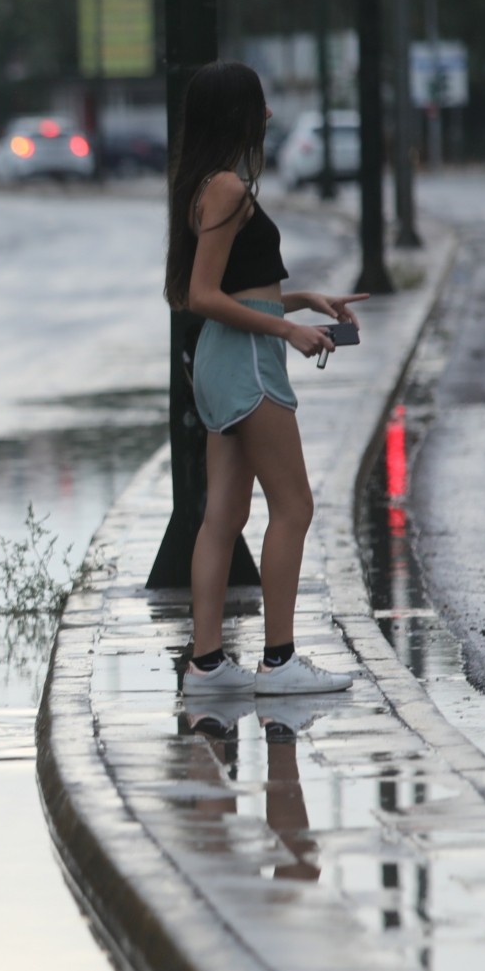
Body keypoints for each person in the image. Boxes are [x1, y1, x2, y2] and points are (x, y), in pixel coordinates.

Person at [167, 62, 362, 696]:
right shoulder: (225, 188)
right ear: (236, 115)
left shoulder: (205, 184)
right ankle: (279, 661)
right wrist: (285, 331)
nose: (269, 116)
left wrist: (304, 300)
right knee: (295, 505)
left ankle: (206, 666)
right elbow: (200, 294)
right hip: (248, 358)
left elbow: (240, 287)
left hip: (228, 356)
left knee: (223, 513)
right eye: (260, 105)